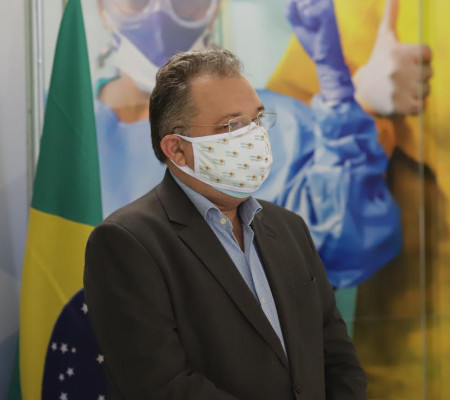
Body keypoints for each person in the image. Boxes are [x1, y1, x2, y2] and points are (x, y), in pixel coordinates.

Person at [84, 47, 367, 399]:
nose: (255, 137)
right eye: (232, 125)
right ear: (177, 149)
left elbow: (337, 357)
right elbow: (161, 385)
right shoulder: (127, 242)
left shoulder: (289, 228)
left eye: (257, 119)